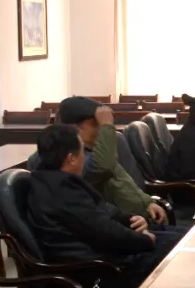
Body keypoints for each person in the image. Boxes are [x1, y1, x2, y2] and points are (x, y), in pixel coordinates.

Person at [28, 124, 181, 288]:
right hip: (102, 270)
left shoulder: (52, 180)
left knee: (183, 237)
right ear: (71, 159)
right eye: (82, 151)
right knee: (182, 249)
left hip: (107, 253)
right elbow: (104, 231)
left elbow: (103, 213)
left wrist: (132, 219)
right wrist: (144, 240)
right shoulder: (62, 191)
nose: (85, 157)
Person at [50, 95, 171, 225]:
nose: (100, 130)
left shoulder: (96, 149)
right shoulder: (72, 159)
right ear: (75, 129)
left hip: (141, 219)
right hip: (124, 225)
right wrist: (106, 126)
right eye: (95, 124)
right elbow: (102, 168)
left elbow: (125, 183)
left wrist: (147, 203)